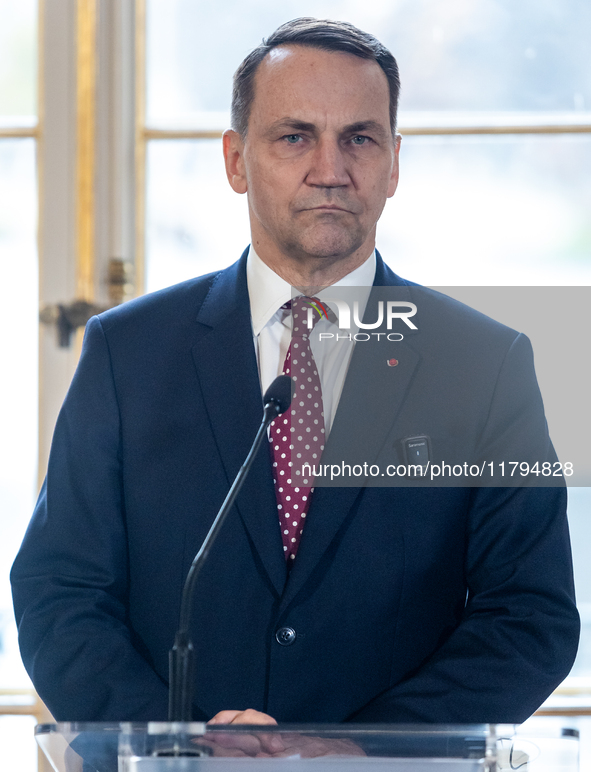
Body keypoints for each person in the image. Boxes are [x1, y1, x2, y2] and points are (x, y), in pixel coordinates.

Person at [11, 18, 579, 729]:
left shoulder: (484, 363)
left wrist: (361, 751)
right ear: (235, 161)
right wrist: (178, 745)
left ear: (394, 162)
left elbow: (529, 616)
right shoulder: (127, 353)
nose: (330, 168)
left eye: (359, 138)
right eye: (294, 136)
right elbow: (59, 590)